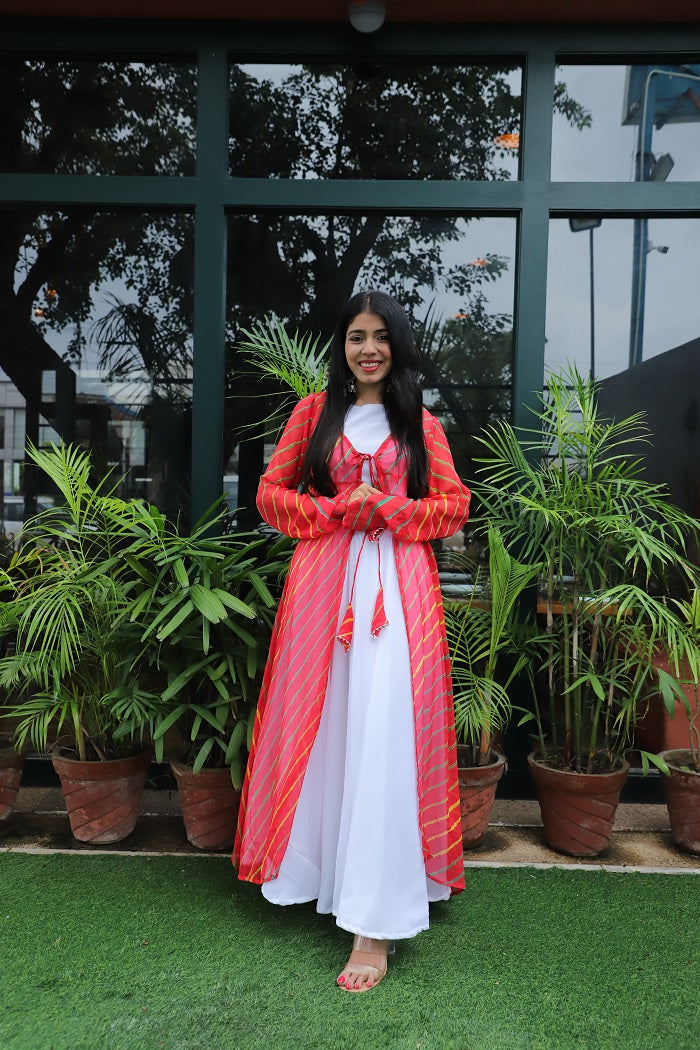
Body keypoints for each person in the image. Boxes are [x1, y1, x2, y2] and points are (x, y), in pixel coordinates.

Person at [233, 290, 471, 992]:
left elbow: (453, 506)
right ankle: (326, 873)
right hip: (323, 590)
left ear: (397, 344)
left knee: (382, 729)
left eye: (380, 337)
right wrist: (334, 507)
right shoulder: (314, 414)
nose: (368, 348)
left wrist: (393, 509)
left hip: (397, 595)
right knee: (328, 727)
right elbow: (271, 495)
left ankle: (375, 922)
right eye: (355, 337)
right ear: (343, 345)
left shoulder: (420, 423)